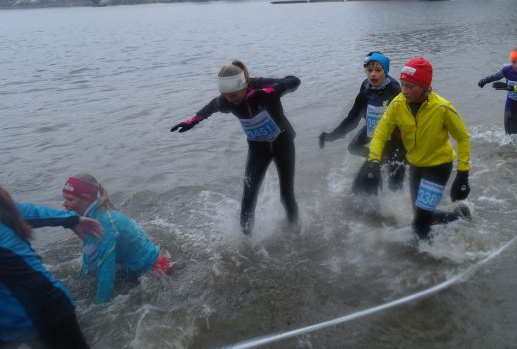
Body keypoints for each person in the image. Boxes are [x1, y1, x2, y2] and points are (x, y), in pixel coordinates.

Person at [170, 60, 300, 235]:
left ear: (243, 85)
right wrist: (191, 122)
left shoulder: (259, 86)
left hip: (282, 143)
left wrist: (270, 91)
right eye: (226, 96)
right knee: (248, 199)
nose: (230, 100)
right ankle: (247, 242)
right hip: (258, 149)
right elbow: (209, 108)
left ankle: (297, 233)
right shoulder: (226, 101)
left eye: (233, 95)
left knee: (286, 196)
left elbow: (294, 80)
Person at [364, 57, 471, 240]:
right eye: (403, 84)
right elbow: (381, 132)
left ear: (424, 86)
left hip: (438, 167)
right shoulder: (397, 104)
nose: (404, 90)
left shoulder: (442, 108)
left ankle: (433, 262)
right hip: (415, 166)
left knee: (420, 226)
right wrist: (373, 159)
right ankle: (458, 214)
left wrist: (463, 174)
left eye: (410, 86)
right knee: (421, 218)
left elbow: (462, 138)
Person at [1, 185, 103, 348]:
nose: (64, 203)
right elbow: (31, 212)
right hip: (25, 315)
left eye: (70, 199)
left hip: (45, 313)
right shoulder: (6, 208)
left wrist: (72, 219)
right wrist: (71, 219)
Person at [62, 174, 172, 304]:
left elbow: (106, 271)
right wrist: (82, 281)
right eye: (64, 199)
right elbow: (89, 255)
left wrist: (100, 308)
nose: (64, 204)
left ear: (86, 200)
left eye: (70, 199)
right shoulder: (89, 217)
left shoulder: (103, 223)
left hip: (155, 271)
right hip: (130, 269)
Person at [318, 51, 406, 193]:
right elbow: (352, 118)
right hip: (373, 129)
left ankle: (396, 204)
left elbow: (409, 119)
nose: (373, 75)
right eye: (369, 70)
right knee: (353, 147)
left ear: (386, 70)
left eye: (378, 70)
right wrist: (331, 136)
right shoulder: (366, 88)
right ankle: (380, 160)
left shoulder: (395, 90)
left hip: (394, 137)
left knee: (395, 185)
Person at [478, 47, 517, 135]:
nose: (516, 65)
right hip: (511, 107)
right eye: (513, 62)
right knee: (509, 138)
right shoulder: (507, 70)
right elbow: (495, 76)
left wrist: (512, 88)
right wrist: (484, 81)